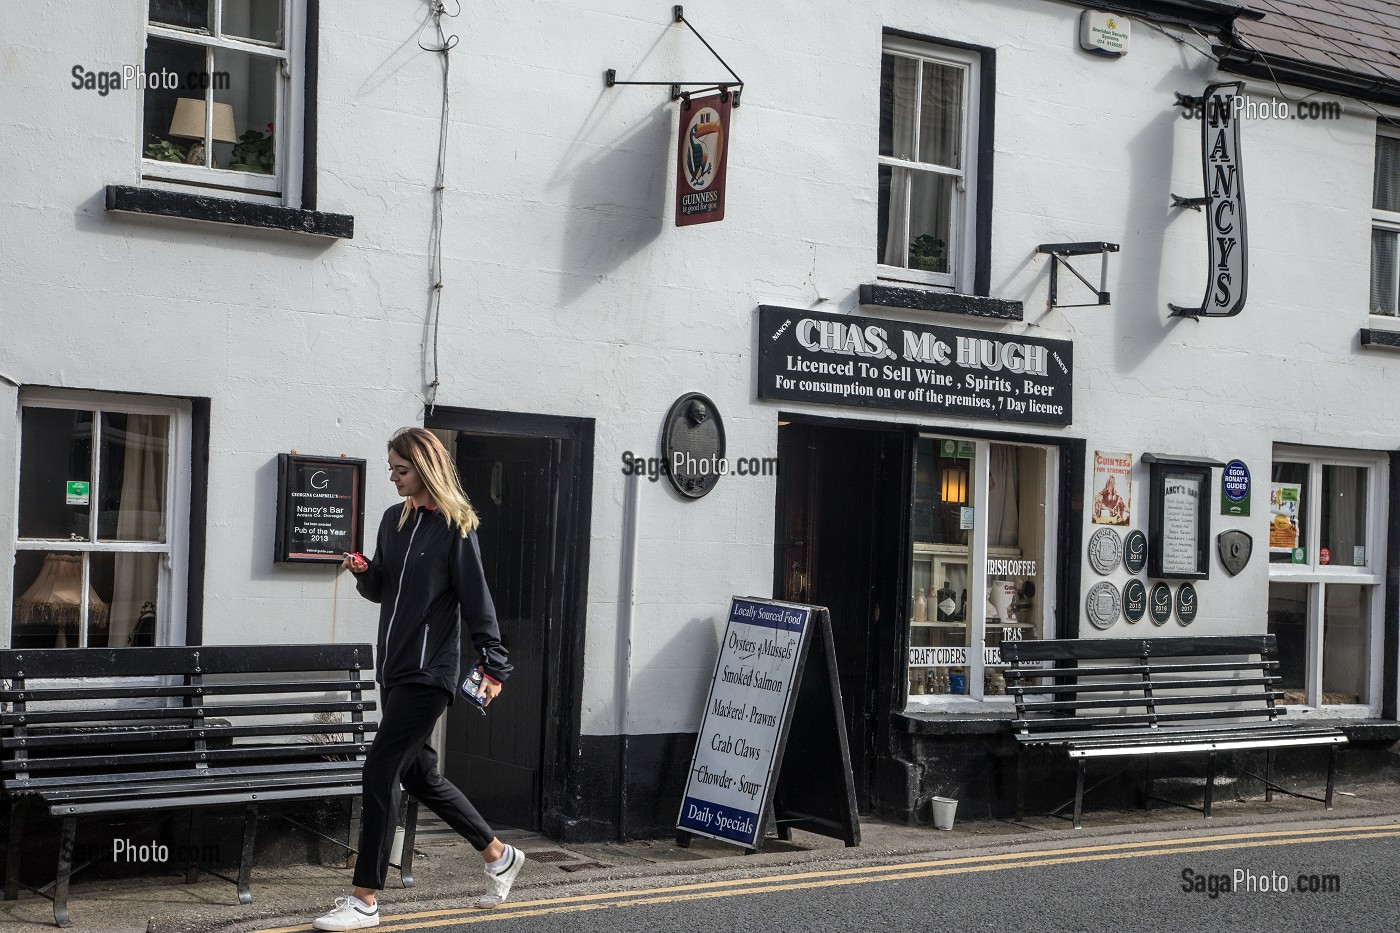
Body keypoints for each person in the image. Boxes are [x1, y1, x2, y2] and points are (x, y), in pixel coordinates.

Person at [312, 427, 524, 931]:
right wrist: (364, 570)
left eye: (400, 470)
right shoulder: (394, 520)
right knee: (420, 775)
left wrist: (493, 662)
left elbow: (477, 600)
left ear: (425, 468)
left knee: (380, 770)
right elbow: (385, 587)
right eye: (391, 468)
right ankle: (498, 855)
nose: (392, 477)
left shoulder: (454, 527)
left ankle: (364, 899)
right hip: (394, 666)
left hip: (430, 673)